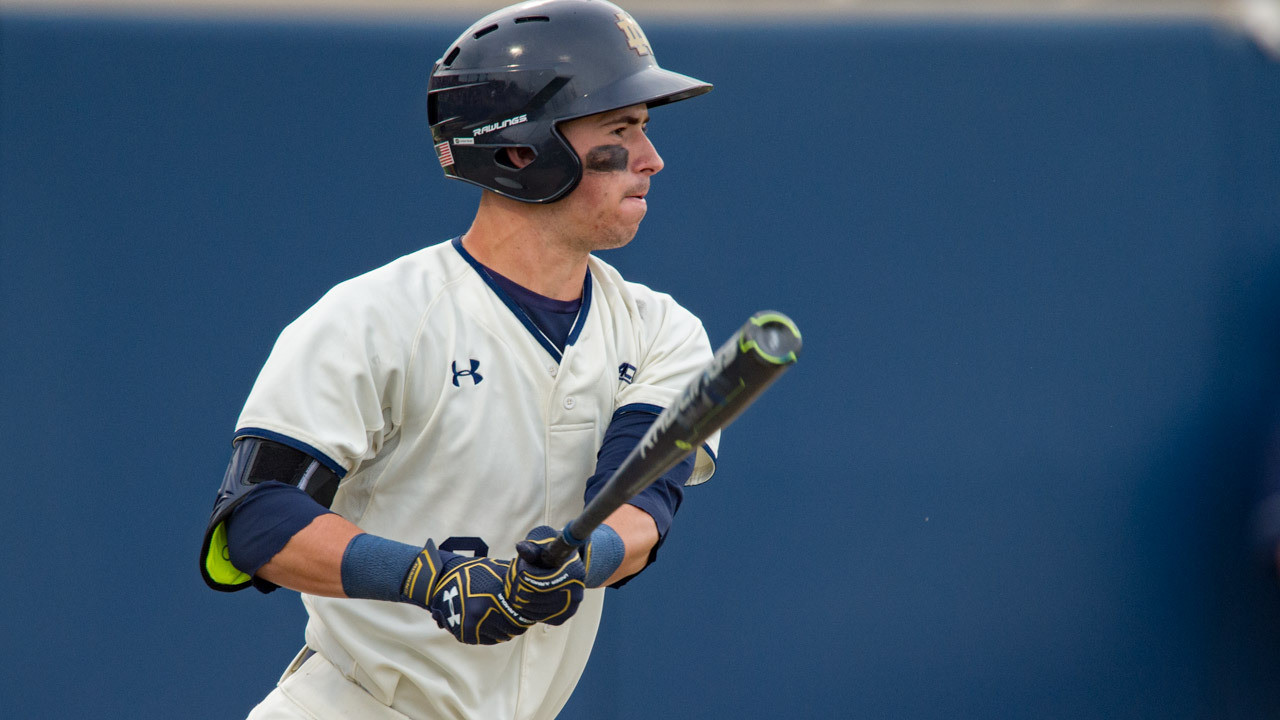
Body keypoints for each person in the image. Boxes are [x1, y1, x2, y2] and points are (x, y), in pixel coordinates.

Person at [198, 1, 719, 718]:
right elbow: (255, 522)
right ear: (520, 150)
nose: (652, 159)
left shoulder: (661, 331)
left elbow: (642, 503)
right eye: (621, 129)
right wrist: (431, 580)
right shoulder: (375, 317)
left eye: (645, 130)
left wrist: (577, 560)